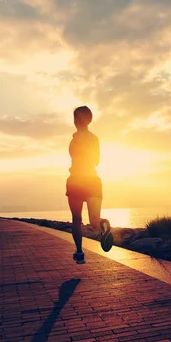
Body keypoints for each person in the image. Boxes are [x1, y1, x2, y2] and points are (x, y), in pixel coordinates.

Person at [66, 105, 113, 264]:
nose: (75, 121)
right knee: (94, 220)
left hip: (76, 181)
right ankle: (103, 225)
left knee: (76, 219)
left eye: (76, 118)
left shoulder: (74, 139)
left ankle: (79, 253)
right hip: (92, 180)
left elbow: (75, 159)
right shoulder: (94, 138)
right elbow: (97, 161)